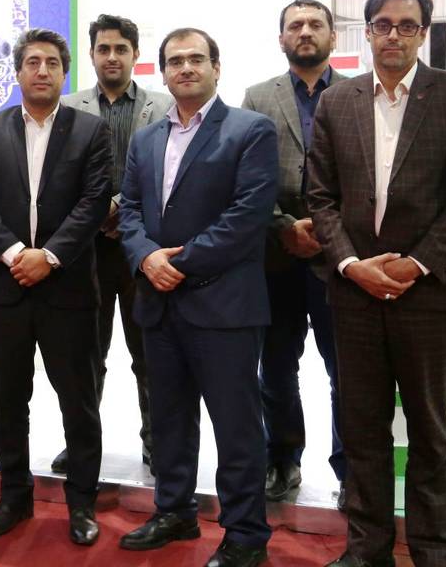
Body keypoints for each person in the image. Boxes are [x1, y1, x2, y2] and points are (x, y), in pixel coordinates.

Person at [307, 0, 446, 567]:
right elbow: (321, 197)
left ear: (423, 33)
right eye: (383, 24)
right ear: (367, 32)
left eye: (407, 25)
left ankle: (435, 552)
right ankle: (368, 549)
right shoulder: (338, 101)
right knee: (362, 430)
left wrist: (415, 263)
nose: (393, 34)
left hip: (427, 295)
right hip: (355, 294)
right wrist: (350, 265)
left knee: (430, 432)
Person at [117, 28, 278, 567]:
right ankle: (174, 511)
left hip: (224, 305)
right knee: (168, 419)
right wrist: (146, 258)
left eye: (195, 59)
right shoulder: (146, 139)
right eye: (174, 61)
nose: (185, 68)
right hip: (159, 305)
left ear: (216, 67)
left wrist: (176, 263)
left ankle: (246, 534)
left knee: (236, 427)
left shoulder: (250, 130)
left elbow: (247, 217)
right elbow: (129, 210)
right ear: (162, 72)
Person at [0, 28, 112, 547]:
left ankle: (82, 502)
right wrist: (12, 254)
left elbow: (94, 201)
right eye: (32, 62)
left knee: (79, 402)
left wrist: (47, 257)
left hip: (68, 290)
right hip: (7, 291)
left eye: (52, 62)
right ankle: (13, 496)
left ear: (64, 72)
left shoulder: (90, 130)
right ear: (18, 72)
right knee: (8, 400)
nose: (42, 70)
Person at [54, 12, 172, 474]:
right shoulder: (68, 107)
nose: (112, 57)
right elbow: (59, 176)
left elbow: (166, 171)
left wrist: (119, 205)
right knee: (85, 355)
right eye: (103, 49)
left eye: (121, 49)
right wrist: (95, 211)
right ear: (91, 55)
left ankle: (158, 442)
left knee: (149, 353)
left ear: (135, 54)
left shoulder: (163, 106)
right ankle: (81, 443)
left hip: (143, 249)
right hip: (85, 252)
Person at [241, 0, 348, 509]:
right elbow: (246, 176)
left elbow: (367, 176)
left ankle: (351, 468)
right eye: (295, 25)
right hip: (275, 257)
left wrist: (328, 231)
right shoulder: (258, 97)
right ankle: (282, 459)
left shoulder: (358, 92)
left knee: (346, 371)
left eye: (315, 24)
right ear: (281, 38)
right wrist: (284, 226)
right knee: (277, 367)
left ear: (333, 35)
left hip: (341, 259)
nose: (305, 32)